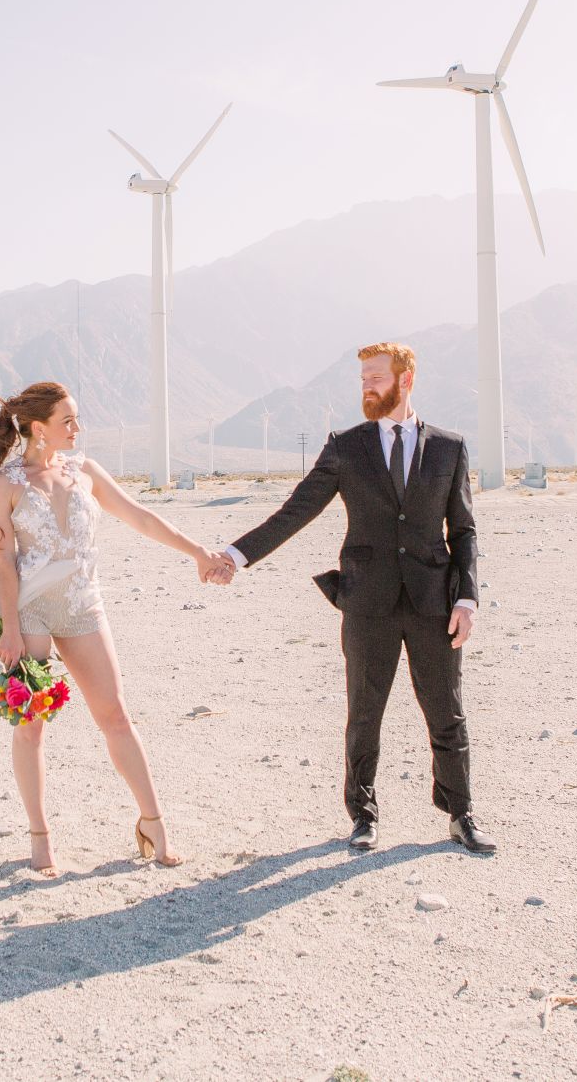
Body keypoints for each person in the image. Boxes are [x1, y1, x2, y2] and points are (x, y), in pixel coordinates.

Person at [0, 381, 227, 875]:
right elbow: (5, 558)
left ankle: (154, 823)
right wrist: (9, 628)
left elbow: (140, 518)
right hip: (29, 609)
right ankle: (40, 838)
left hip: (82, 606)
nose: (78, 429)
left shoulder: (86, 471)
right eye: (68, 421)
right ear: (38, 429)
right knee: (30, 729)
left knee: (116, 716)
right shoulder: (7, 483)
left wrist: (198, 551)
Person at [208, 342, 493, 854]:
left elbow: (465, 530)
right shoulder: (346, 446)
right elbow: (296, 512)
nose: (366, 386)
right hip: (367, 602)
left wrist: (466, 600)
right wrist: (236, 554)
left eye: (376, 378)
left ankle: (461, 814)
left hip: (434, 602)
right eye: (362, 378)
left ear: (405, 381)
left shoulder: (450, 447)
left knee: (446, 710)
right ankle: (363, 817)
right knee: (365, 712)